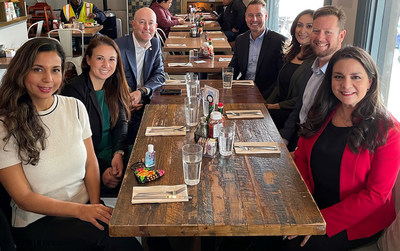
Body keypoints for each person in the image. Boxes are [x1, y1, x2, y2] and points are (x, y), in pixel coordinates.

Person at [0, 38, 142, 250]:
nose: (48, 79)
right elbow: (24, 198)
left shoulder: (74, 106)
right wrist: (81, 211)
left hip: (85, 206)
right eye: (38, 69)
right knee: (116, 240)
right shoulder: (5, 124)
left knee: (128, 225)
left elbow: (90, 162)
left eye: (55, 70)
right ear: (21, 72)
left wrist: (94, 205)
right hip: (39, 220)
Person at [284, 46, 400, 250]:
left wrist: (319, 221)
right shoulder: (321, 110)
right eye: (338, 76)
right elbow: (301, 155)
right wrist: (304, 201)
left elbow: (375, 196)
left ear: (370, 82)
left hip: (355, 220)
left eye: (356, 77)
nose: (346, 85)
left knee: (294, 246)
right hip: (313, 202)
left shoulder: (388, 130)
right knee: (266, 231)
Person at [62, 35, 131, 197]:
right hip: (88, 162)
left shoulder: (113, 84)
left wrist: (118, 153)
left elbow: (121, 123)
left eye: (112, 59)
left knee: (148, 162)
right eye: (100, 58)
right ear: (88, 60)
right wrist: (101, 171)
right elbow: (72, 144)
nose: (107, 65)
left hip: (113, 152)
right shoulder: (74, 91)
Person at [280, 5, 347, 151]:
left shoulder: (344, 77)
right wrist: (283, 140)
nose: (320, 37)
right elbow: (299, 109)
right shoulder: (311, 66)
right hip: (297, 142)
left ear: (341, 36)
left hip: (318, 151)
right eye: (316, 31)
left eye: (328, 32)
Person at [115, 7, 165, 144]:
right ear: (133, 24)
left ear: (155, 26)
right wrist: (125, 101)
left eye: (151, 23)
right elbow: (109, 81)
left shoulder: (155, 44)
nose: (147, 27)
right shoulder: (118, 46)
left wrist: (142, 92)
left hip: (146, 101)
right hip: (121, 107)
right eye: (142, 22)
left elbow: (159, 74)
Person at [266, 9, 315, 130]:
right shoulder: (293, 53)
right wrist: (265, 104)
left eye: (309, 26)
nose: (302, 30)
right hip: (276, 110)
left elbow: (304, 98)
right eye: (299, 25)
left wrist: (275, 106)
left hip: (293, 118)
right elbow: (279, 86)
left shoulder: (316, 61)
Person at [228, 0, 286, 99]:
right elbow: (233, 68)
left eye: (259, 15)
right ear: (246, 18)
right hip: (244, 89)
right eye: (250, 15)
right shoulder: (241, 40)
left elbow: (281, 78)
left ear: (266, 16)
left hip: (267, 94)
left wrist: (265, 98)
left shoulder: (279, 41)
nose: (254, 19)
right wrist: (226, 86)